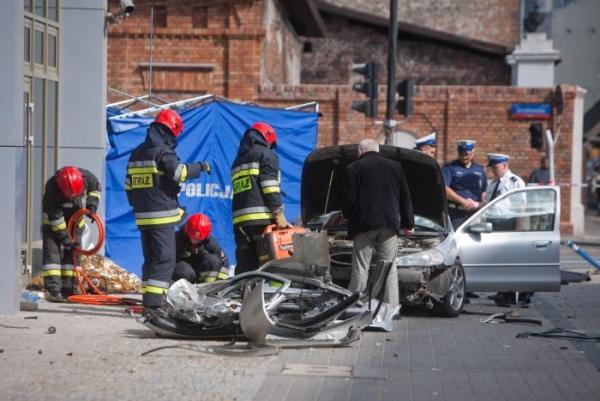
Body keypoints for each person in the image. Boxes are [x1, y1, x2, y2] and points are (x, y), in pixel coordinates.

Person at [125, 109, 211, 313]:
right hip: (161, 217)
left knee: (151, 260)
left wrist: (140, 207)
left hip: (142, 217)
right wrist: (201, 167)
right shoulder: (163, 151)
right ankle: (155, 305)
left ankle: (149, 299)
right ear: (171, 131)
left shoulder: (137, 152)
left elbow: (129, 186)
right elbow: (179, 173)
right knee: (164, 259)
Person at [342, 139, 414, 315]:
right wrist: (408, 224)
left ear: (360, 151)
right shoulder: (395, 166)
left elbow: (349, 200)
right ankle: (392, 309)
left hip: (363, 225)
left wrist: (345, 216)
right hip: (389, 225)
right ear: (378, 150)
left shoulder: (353, 168)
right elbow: (405, 197)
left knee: (361, 268)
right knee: (389, 268)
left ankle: (355, 307)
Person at [231, 122, 290, 275]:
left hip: (240, 222)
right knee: (268, 265)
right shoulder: (266, 155)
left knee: (245, 265)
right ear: (267, 139)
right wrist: (278, 213)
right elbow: (270, 186)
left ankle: (242, 289)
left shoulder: (238, 160)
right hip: (262, 220)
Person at [42, 166, 102, 302]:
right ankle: (53, 291)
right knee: (52, 255)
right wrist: (66, 240)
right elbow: (56, 219)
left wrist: (92, 206)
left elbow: (95, 190)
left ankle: (70, 290)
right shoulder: (52, 188)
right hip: (53, 223)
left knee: (73, 256)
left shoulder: (88, 177)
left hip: (75, 222)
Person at [484, 153, 531, 307]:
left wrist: (518, 229)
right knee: (498, 261)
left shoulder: (515, 182)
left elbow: (522, 207)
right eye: (491, 167)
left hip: (508, 225)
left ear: (505, 165)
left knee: (509, 262)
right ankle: (502, 291)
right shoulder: (493, 184)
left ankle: (512, 295)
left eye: (495, 167)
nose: (493, 170)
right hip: (494, 225)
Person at [442, 140, 487, 230]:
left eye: (466, 154)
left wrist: (480, 204)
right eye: (461, 154)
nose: (464, 157)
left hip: (475, 214)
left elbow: (483, 191)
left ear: (473, 152)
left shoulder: (480, 169)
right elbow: (444, 189)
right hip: (456, 214)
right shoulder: (450, 167)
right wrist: (463, 202)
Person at [173, 213, 229, 283]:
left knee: (213, 260)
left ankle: (207, 285)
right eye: (192, 237)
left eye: (199, 239)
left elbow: (224, 260)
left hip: (200, 273)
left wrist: (221, 281)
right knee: (185, 271)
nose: (195, 241)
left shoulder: (210, 242)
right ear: (186, 230)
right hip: (183, 271)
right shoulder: (175, 239)